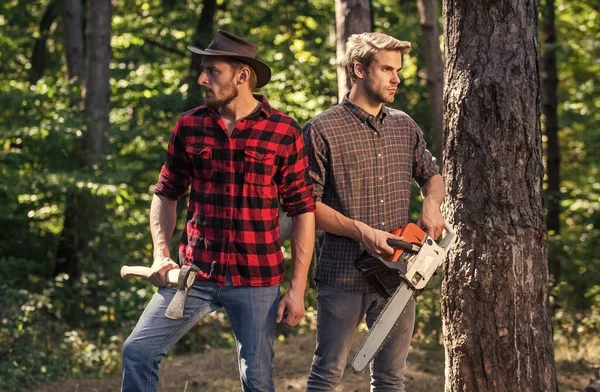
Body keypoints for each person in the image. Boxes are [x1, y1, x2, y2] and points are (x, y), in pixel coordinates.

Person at [121, 29, 316, 392]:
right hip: (194, 273)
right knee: (138, 351)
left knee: (257, 379)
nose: (202, 79)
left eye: (213, 71)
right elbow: (165, 193)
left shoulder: (284, 131)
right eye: (203, 70)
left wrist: (297, 288)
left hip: (257, 278)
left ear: (242, 76)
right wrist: (161, 254)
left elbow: (303, 210)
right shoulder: (189, 125)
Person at [303, 32, 446, 391]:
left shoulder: (404, 125)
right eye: (386, 69)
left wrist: (431, 203)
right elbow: (305, 206)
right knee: (326, 375)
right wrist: (361, 231)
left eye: (398, 70)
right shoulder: (322, 129)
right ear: (359, 69)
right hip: (342, 275)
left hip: (398, 274)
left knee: (390, 379)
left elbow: (433, 176)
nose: (397, 78)